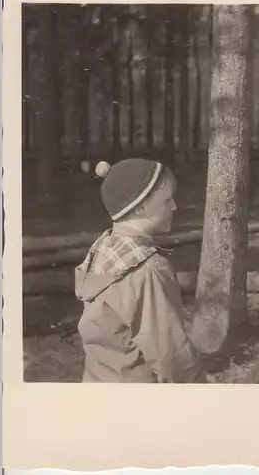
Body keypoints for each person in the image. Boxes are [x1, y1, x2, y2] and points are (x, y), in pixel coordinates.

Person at [74, 158, 207, 383]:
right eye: (167, 200)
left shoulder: (102, 250)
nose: (174, 206)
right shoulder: (148, 269)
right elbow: (170, 353)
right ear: (141, 206)